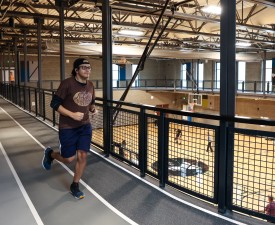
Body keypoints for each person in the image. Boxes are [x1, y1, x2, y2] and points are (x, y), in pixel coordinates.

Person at [42, 58, 97, 200]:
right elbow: (54, 104)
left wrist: (93, 109)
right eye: (84, 67)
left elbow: (91, 103)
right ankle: (50, 155)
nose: (87, 70)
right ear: (76, 70)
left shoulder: (91, 85)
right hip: (68, 127)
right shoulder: (67, 84)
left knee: (83, 156)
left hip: (85, 126)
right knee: (68, 159)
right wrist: (72, 114)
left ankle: (75, 185)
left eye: (89, 67)